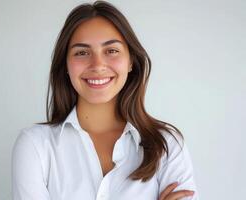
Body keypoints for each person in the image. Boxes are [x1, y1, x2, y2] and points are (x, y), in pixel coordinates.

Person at [11, 1, 199, 199]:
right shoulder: (34, 146)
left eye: (111, 51)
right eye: (82, 53)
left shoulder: (167, 145)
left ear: (130, 62)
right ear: (65, 65)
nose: (97, 65)